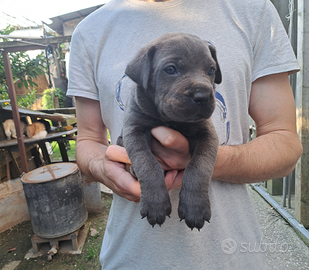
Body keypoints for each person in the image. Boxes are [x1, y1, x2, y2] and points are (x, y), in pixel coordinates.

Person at [67, 0, 303, 269]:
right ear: (143, 74)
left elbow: (285, 143)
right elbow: (88, 140)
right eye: (171, 70)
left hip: (234, 257)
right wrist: (106, 168)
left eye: (210, 71)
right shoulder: (90, 31)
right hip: (132, 257)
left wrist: (197, 173)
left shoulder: (252, 10)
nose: (203, 88)